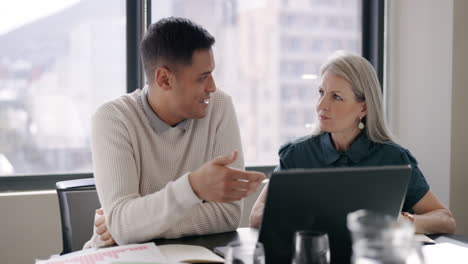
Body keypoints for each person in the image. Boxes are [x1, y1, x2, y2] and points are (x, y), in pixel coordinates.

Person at [84, 17, 266, 247]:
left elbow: (227, 214)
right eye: (202, 78)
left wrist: (137, 226)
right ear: (164, 79)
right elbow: (123, 226)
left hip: (193, 254)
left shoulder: (219, 106)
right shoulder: (113, 118)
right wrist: (193, 187)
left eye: (211, 74)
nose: (212, 87)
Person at [249, 51, 456, 235]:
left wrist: (401, 223)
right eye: (321, 93)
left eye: (336, 97)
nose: (321, 105)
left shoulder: (393, 158)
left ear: (363, 108)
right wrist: (306, 218)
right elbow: (257, 215)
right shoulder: (297, 155)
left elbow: (445, 219)